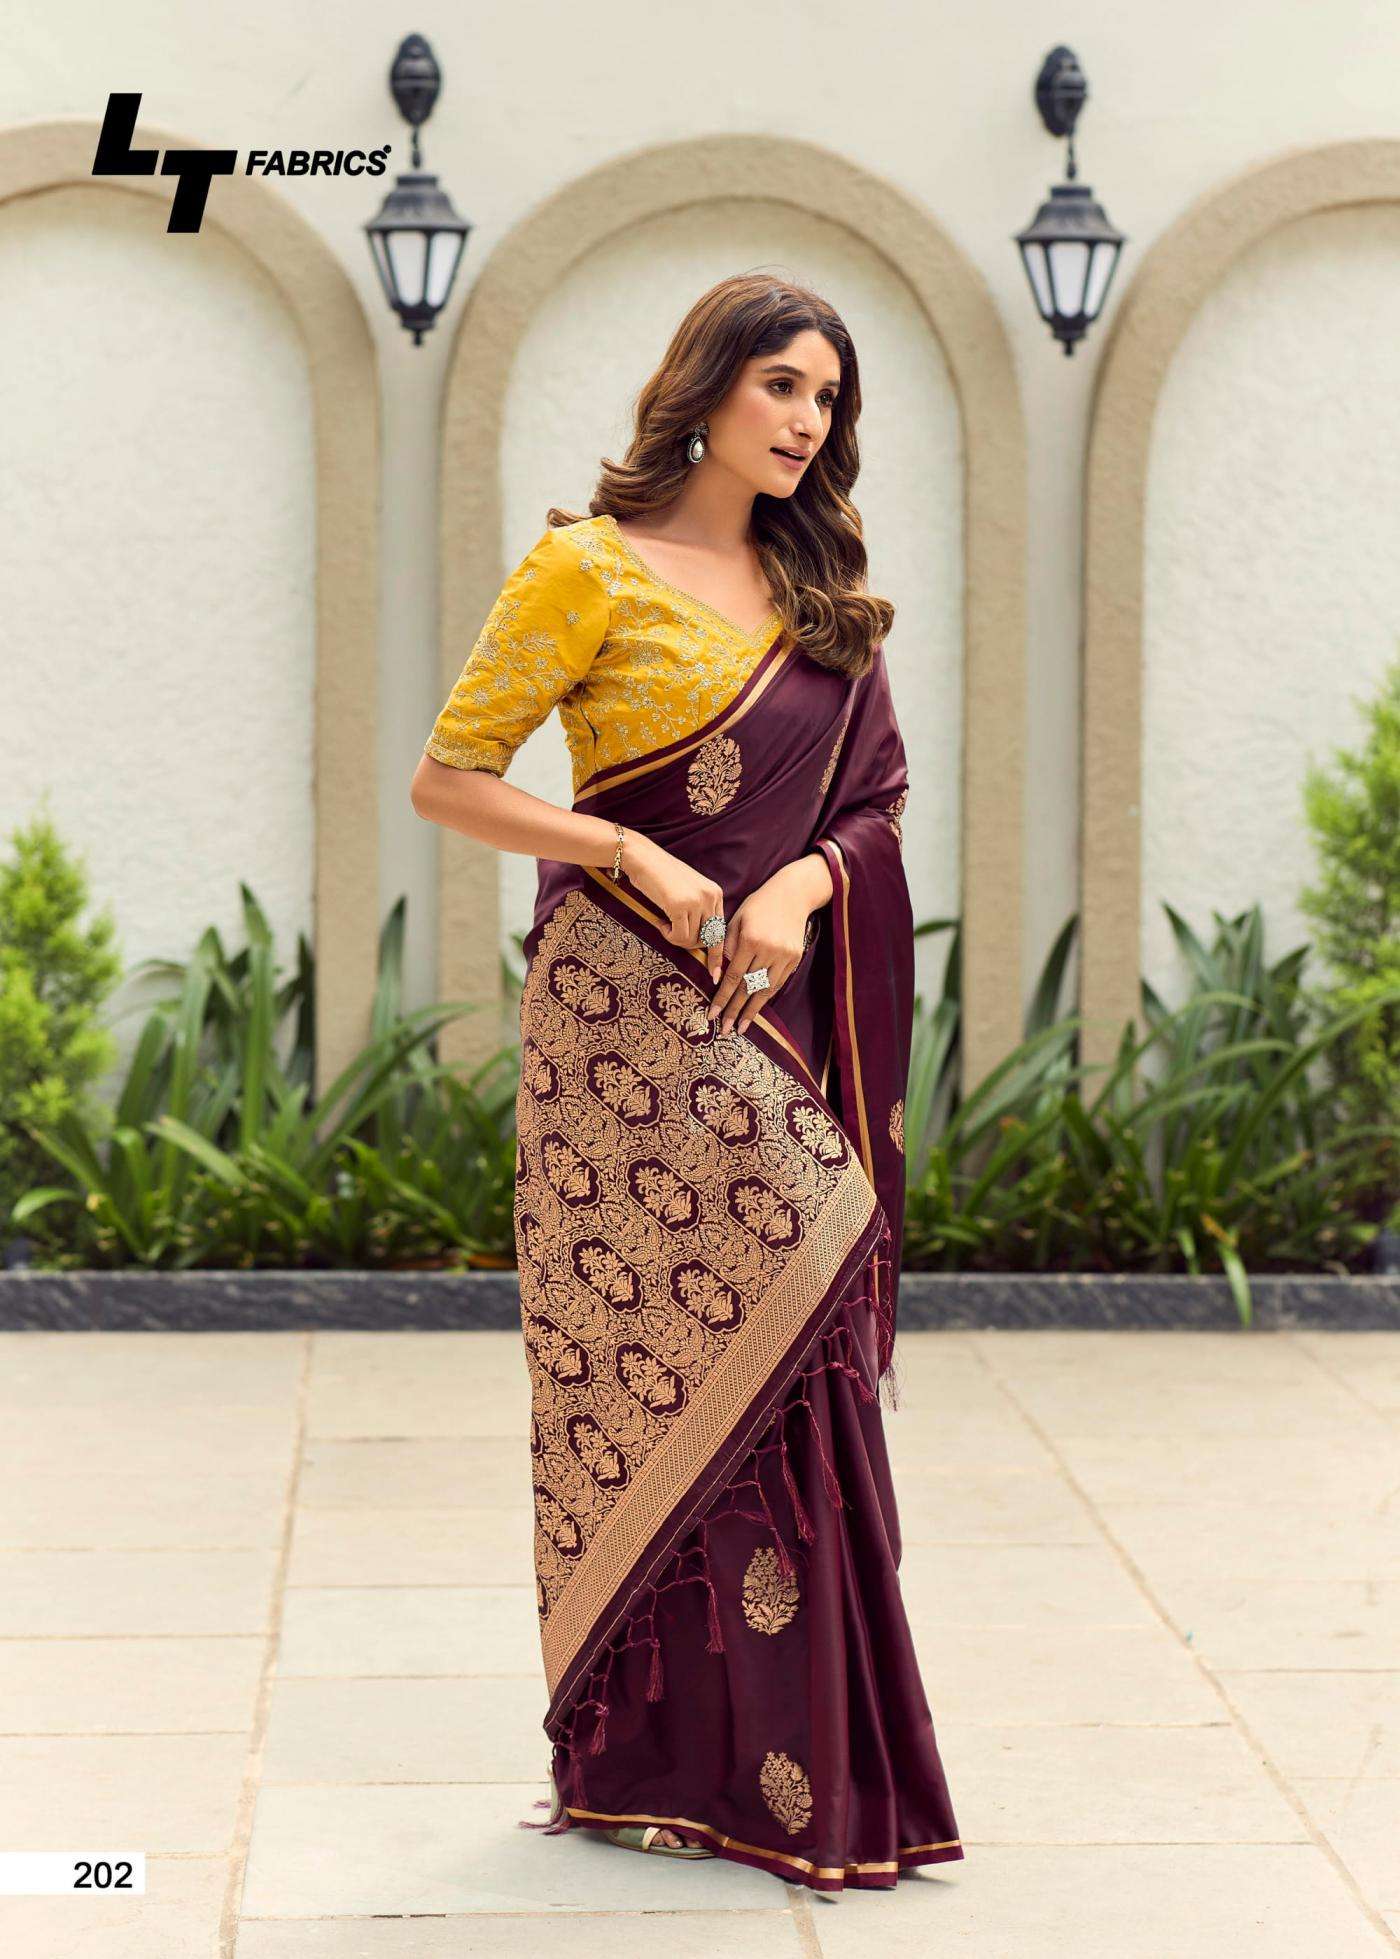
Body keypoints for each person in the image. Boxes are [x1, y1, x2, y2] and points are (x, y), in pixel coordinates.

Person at [410, 273, 963, 1893]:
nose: (805, 420)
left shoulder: (822, 588)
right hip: (624, 1026)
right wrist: (621, 844)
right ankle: (651, 1763)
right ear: (707, 388)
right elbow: (450, 778)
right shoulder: (583, 566)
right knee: (651, 1369)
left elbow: (877, 801)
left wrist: (802, 886)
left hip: (775, 1004)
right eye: (782, 384)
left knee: (797, 1340)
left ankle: (807, 1765)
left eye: (827, 400)